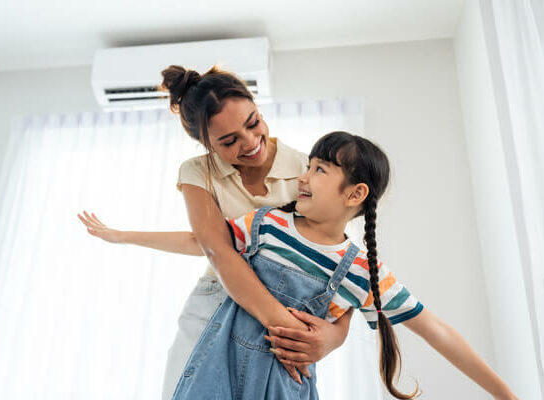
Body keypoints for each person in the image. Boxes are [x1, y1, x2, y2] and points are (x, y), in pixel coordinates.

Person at [165, 131, 517, 399]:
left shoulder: (363, 270)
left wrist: (508, 396)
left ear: (354, 194)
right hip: (217, 372)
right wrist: (122, 237)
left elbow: (436, 331)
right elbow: (206, 243)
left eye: (319, 169)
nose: (303, 177)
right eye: (307, 167)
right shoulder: (266, 224)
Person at [77, 65, 354, 400]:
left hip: (287, 309)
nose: (251, 142)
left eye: (253, 123)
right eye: (229, 141)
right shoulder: (198, 173)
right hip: (222, 301)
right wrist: (122, 236)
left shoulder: (304, 169)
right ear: (206, 145)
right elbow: (214, 246)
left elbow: (337, 254)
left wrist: (334, 336)